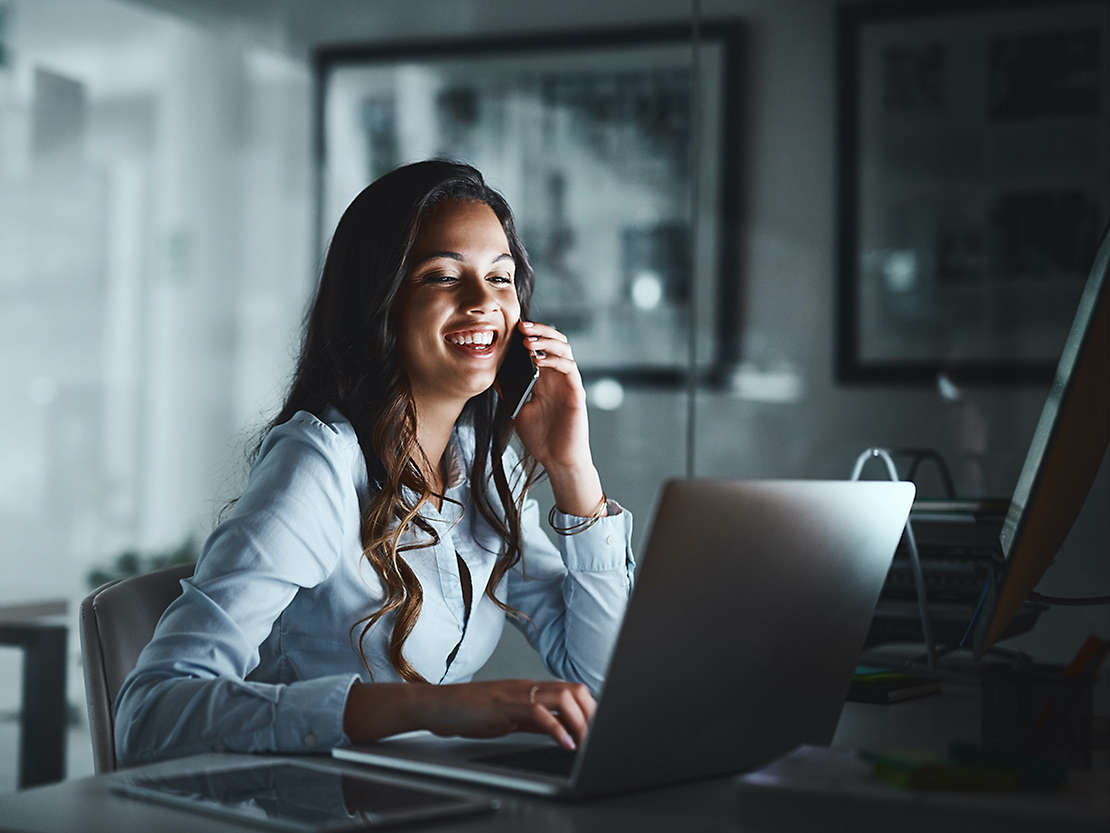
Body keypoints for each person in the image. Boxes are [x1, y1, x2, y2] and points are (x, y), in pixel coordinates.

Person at [114, 161, 635, 765]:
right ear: (381, 301)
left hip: (419, 803)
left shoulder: (481, 464)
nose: (483, 302)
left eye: (501, 278)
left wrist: (574, 472)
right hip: (300, 806)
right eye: (443, 276)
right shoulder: (319, 468)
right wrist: (431, 709)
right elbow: (150, 714)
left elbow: (603, 685)